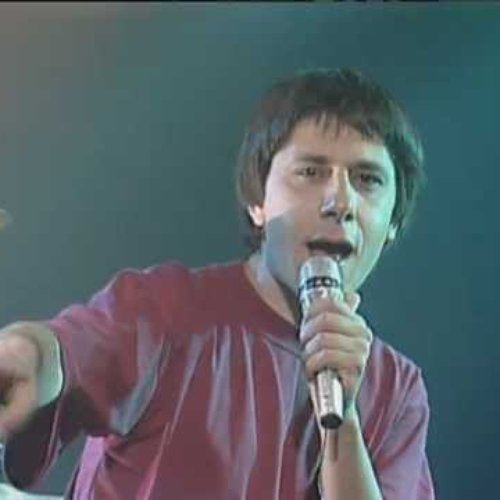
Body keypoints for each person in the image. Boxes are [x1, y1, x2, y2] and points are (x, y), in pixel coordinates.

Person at [0, 68, 435, 499]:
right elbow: (71, 348)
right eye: (310, 172)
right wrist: (29, 352)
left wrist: (345, 420)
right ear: (257, 202)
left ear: (393, 222)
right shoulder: (169, 308)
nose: (340, 201)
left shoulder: (397, 390)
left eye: (367, 179)